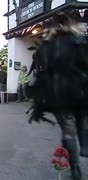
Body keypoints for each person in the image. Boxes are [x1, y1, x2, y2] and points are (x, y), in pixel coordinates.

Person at [27, 14, 88, 180]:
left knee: (68, 130)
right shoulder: (78, 42)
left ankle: (75, 165)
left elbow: (41, 69)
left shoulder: (48, 47)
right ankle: (82, 149)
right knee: (80, 122)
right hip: (78, 92)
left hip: (59, 95)